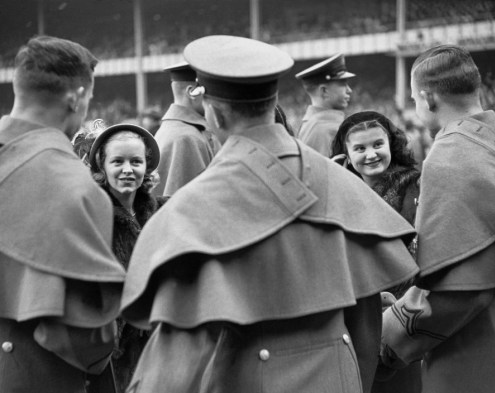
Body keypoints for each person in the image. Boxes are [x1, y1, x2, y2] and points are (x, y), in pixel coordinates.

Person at [120, 35, 419, 393]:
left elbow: (175, 363)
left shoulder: (193, 207)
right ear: (273, 101)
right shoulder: (343, 183)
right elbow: (366, 327)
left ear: (212, 111)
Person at [0, 36, 125, 393]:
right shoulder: (77, 187)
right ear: (76, 97)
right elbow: (80, 332)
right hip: (35, 375)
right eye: (88, 99)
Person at [380, 44, 495, 393]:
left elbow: (456, 291)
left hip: (470, 348)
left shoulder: (449, 152)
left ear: (428, 98)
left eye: (413, 98)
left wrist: (388, 338)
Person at [331, 111, 421, 393]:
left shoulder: (413, 185)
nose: (371, 154)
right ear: (345, 153)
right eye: (359, 148)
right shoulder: (338, 187)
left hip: (400, 311)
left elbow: (416, 250)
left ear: (391, 145)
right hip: (353, 311)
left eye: (377, 145)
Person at [86, 121, 166, 392]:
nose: (128, 170)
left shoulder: (158, 212)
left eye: (136, 161)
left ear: (148, 166)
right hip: (111, 355)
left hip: (157, 346)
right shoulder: (93, 216)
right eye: (118, 161)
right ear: (102, 166)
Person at [153, 61, 220, 197]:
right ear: (192, 92)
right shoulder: (186, 138)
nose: (217, 98)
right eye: (213, 91)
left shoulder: (180, 129)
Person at [296, 53, 355, 157]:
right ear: (324, 91)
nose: (349, 90)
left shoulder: (317, 123)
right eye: (343, 84)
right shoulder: (322, 130)